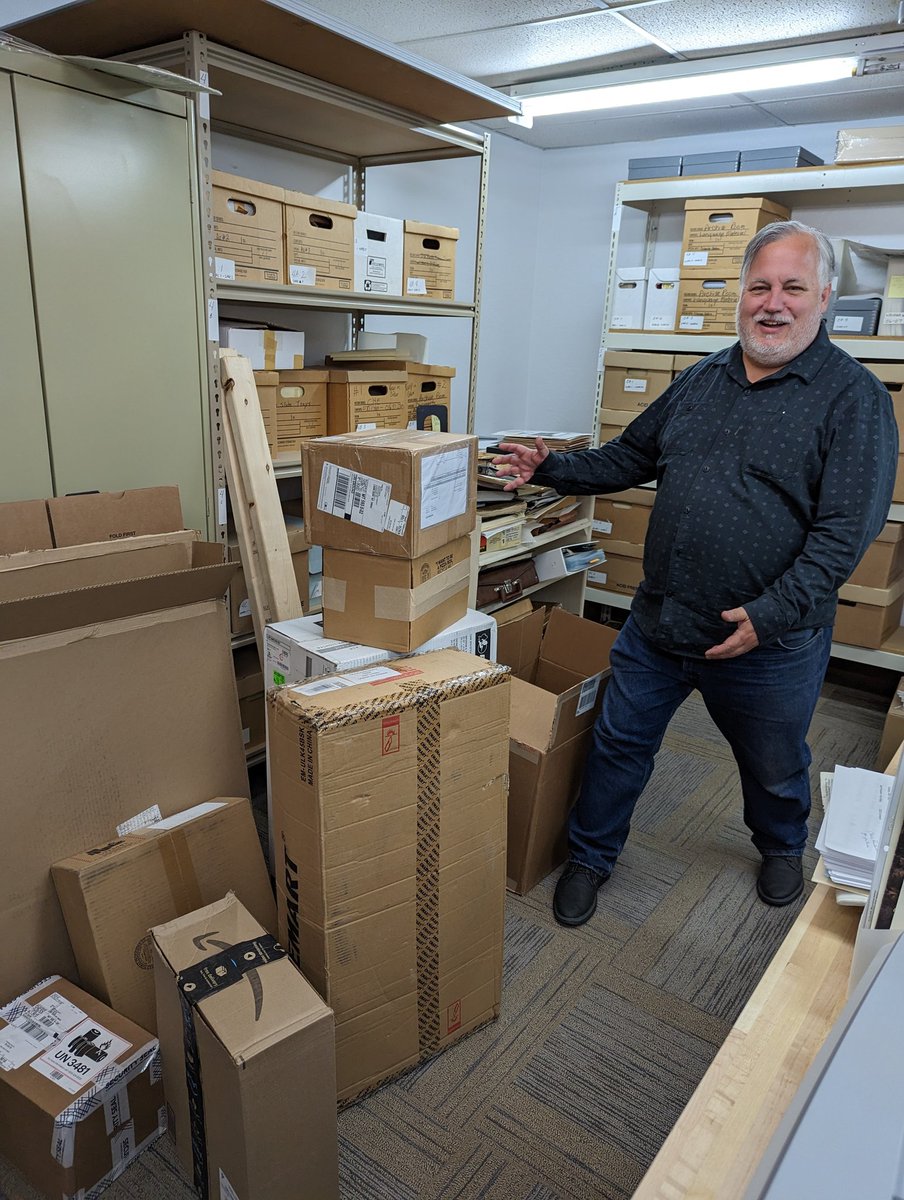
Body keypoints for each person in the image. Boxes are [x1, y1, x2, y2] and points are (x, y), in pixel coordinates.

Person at [493, 220, 897, 925]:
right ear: (741, 294)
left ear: (824, 297)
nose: (773, 303)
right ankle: (590, 857)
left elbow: (845, 535)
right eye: (760, 286)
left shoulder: (853, 398)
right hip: (660, 622)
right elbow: (628, 456)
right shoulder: (703, 379)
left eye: (792, 288)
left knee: (773, 765)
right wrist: (551, 468)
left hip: (767, 642)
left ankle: (780, 845)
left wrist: (770, 614)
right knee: (619, 745)